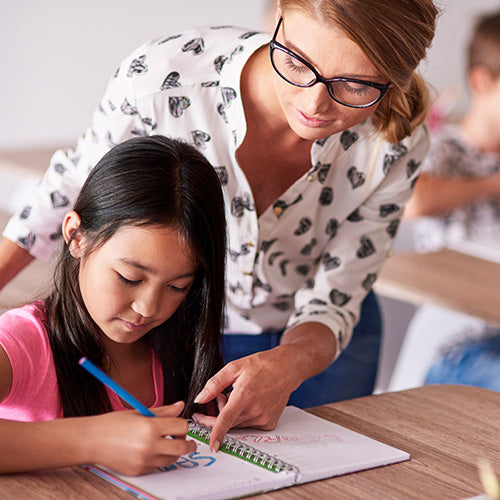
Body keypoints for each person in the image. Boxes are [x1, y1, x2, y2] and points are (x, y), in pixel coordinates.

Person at [0, 0, 438, 450]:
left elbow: (339, 291)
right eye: (296, 62)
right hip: (189, 330)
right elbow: (74, 186)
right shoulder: (163, 78)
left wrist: (292, 361)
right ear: (276, 18)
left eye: (355, 85)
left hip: (319, 342)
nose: (314, 104)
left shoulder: (394, 141)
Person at [0, 135, 227, 474]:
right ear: (76, 237)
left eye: (178, 287)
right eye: (129, 277)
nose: (149, 308)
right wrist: (92, 440)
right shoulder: (23, 341)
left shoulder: (181, 344)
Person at [391, 10, 500, 392]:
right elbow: (412, 201)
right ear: (481, 82)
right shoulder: (443, 150)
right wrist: (493, 184)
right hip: (458, 342)